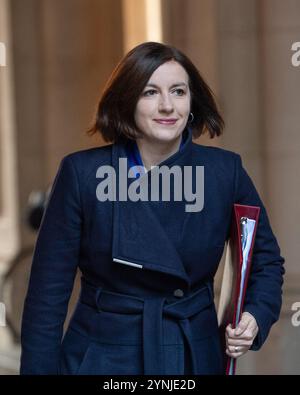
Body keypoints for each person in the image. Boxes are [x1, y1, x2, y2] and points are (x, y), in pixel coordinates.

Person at [20, 41, 285, 375]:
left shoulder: (223, 172)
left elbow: (267, 260)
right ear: (127, 101)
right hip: (104, 357)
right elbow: (47, 296)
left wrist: (254, 316)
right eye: (149, 92)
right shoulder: (82, 174)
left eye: (178, 91)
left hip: (192, 354)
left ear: (192, 102)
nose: (166, 106)